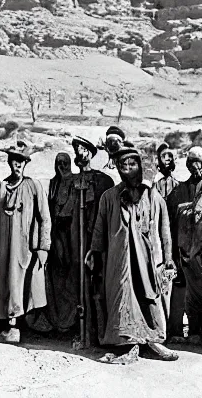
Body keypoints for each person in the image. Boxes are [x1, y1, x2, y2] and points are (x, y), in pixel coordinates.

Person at [86, 147, 178, 361]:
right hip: (119, 261)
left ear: (139, 167)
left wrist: (169, 258)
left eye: (131, 165)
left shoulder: (154, 198)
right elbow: (99, 227)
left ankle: (154, 341)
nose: (127, 169)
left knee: (150, 298)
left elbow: (165, 231)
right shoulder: (109, 197)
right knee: (122, 299)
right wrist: (95, 251)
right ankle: (126, 343)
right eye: (122, 166)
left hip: (148, 261)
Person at [0, 142, 51, 343]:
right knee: (1, 282)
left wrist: (43, 247)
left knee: (21, 283)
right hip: (3, 247)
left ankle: (15, 326)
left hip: (24, 248)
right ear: (9, 162)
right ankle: (1, 319)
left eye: (22, 161)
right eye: (15, 161)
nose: (18, 165)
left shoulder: (33, 186)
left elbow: (44, 218)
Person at [71, 136, 114, 344]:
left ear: (90, 153)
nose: (79, 152)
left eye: (83, 149)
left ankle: (102, 333)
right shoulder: (72, 181)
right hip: (77, 239)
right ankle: (84, 332)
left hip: (98, 239)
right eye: (76, 149)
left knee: (100, 284)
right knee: (80, 285)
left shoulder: (103, 181)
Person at [167, 146, 202, 340]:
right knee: (184, 292)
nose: (196, 166)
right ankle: (184, 331)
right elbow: (171, 222)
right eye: (192, 162)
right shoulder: (179, 191)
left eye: (200, 162)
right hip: (184, 253)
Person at [40, 152, 77, 332]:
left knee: (69, 272)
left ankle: (70, 320)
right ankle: (57, 318)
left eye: (65, 162)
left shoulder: (75, 181)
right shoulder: (53, 182)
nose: (62, 166)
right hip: (56, 232)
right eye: (58, 163)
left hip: (70, 233)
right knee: (56, 273)